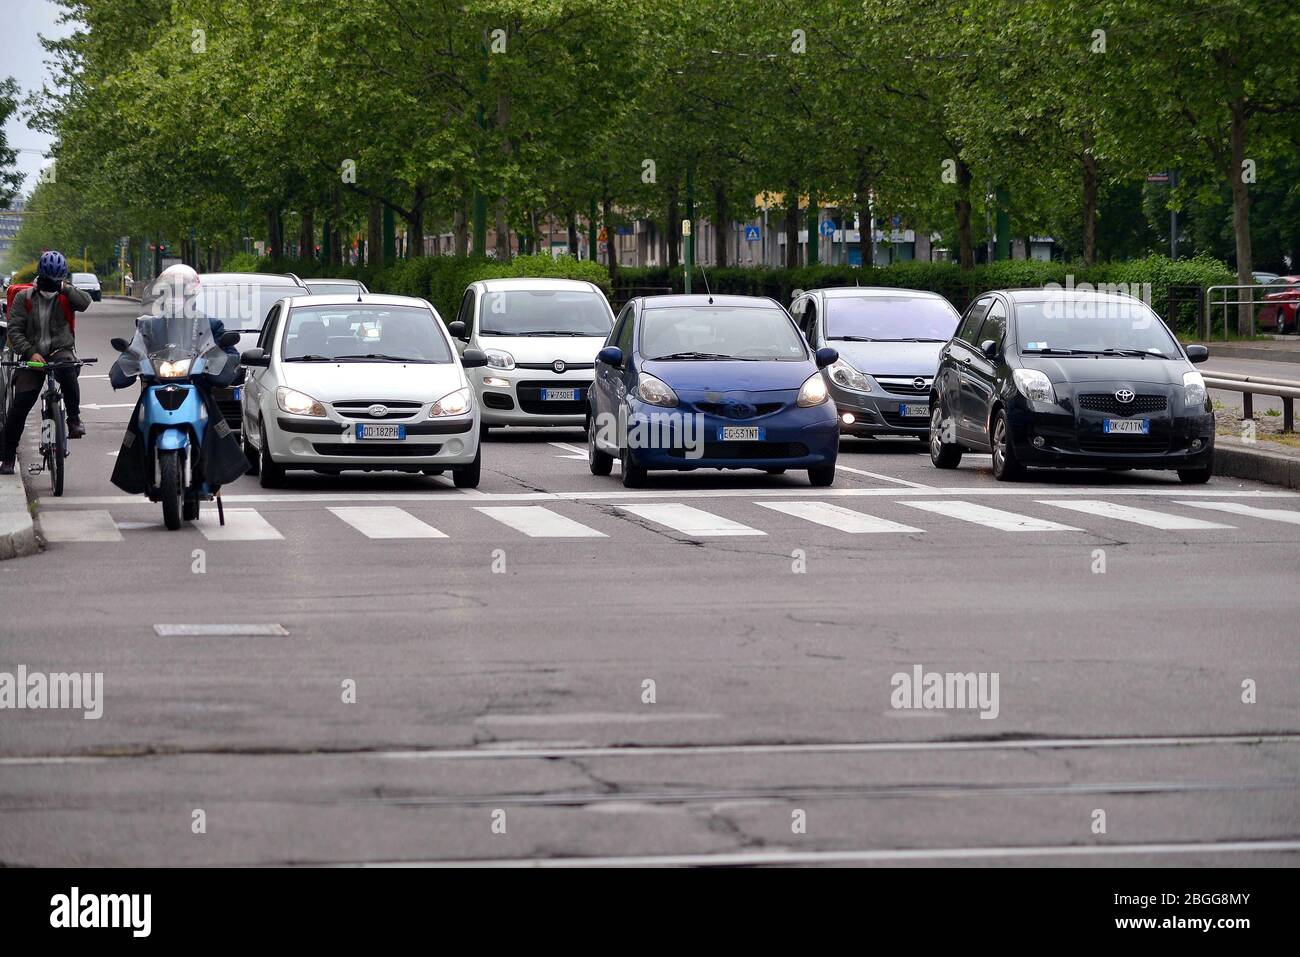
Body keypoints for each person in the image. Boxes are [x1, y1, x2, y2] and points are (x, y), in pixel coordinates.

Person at [1, 251, 92, 475]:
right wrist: (30, 353)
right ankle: (8, 457)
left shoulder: (66, 295)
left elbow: (85, 303)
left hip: (60, 350)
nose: (52, 283)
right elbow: (14, 330)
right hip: (33, 356)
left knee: (68, 372)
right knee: (20, 404)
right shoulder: (25, 298)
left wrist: (64, 287)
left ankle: (73, 419)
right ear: (40, 275)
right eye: (48, 278)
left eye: (57, 278)